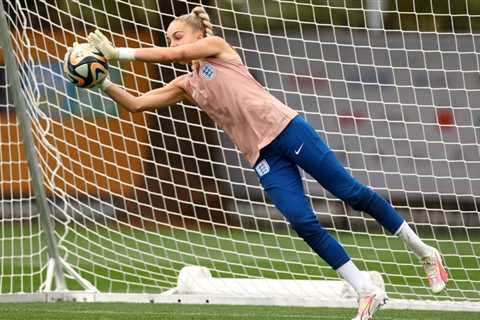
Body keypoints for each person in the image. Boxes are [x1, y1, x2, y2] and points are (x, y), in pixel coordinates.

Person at [80, 6, 448, 320]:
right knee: (302, 221)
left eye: (177, 36)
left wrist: (119, 53)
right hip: (261, 155)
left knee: (349, 192)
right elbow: (137, 103)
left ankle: (427, 253)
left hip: (287, 129)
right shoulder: (186, 84)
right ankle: (365, 289)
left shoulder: (216, 48)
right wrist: (101, 82)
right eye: (169, 38)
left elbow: (172, 56)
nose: (172, 43)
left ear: (196, 34)